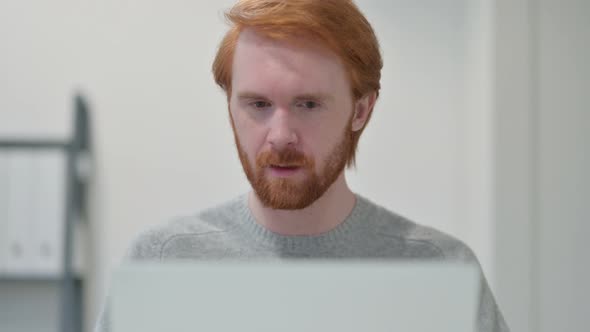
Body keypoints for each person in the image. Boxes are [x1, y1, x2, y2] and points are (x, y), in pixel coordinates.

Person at [94, 1, 509, 331]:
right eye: (258, 104)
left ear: (361, 110)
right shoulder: (163, 263)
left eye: (307, 104)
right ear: (230, 106)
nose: (280, 135)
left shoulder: (438, 272)